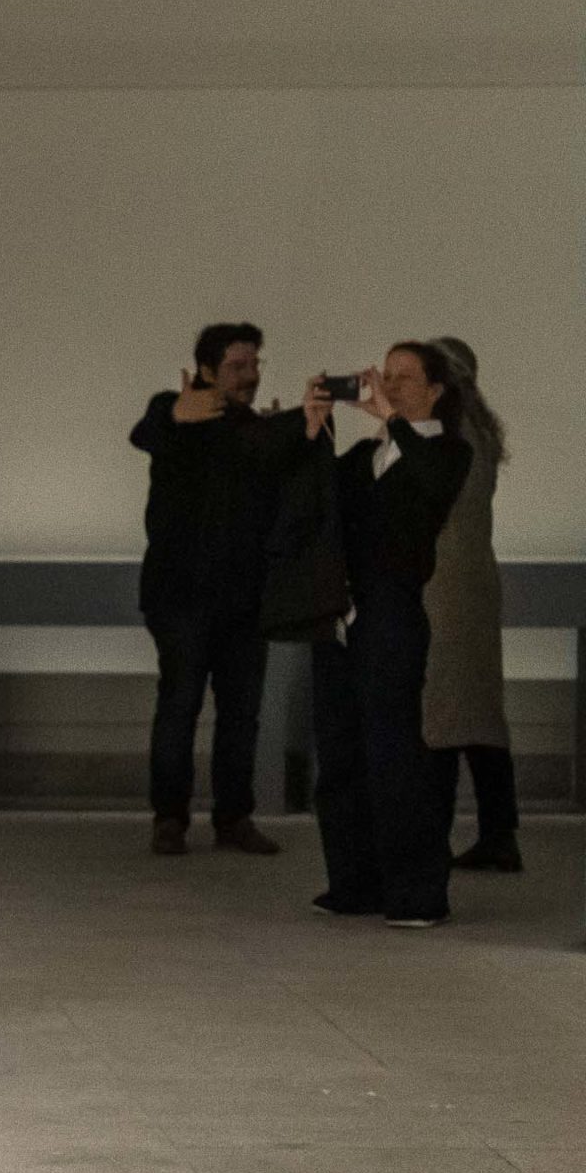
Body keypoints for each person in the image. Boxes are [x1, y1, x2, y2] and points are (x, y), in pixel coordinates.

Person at [302, 344, 476, 927]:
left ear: (436, 391)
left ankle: (417, 891)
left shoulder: (448, 451)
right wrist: (313, 429)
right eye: (385, 374)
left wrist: (393, 420)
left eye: (405, 377)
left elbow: (431, 484)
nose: (389, 384)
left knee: (395, 752)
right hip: (341, 615)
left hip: (393, 613)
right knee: (339, 751)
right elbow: (314, 500)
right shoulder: (363, 456)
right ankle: (354, 881)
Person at [129, 323, 309, 857]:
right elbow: (146, 431)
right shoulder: (174, 412)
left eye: (254, 365)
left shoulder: (254, 428)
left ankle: (234, 817)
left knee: (241, 713)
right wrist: (175, 413)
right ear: (207, 370)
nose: (250, 376)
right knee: (179, 705)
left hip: (244, 598)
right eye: (237, 366)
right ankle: (170, 818)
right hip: (181, 596)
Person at [427, 337, 521, 873]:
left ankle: (438, 833)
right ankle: (498, 832)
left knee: (444, 713)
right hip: (470, 582)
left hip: (447, 584)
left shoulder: (451, 435)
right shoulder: (477, 431)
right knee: (479, 714)